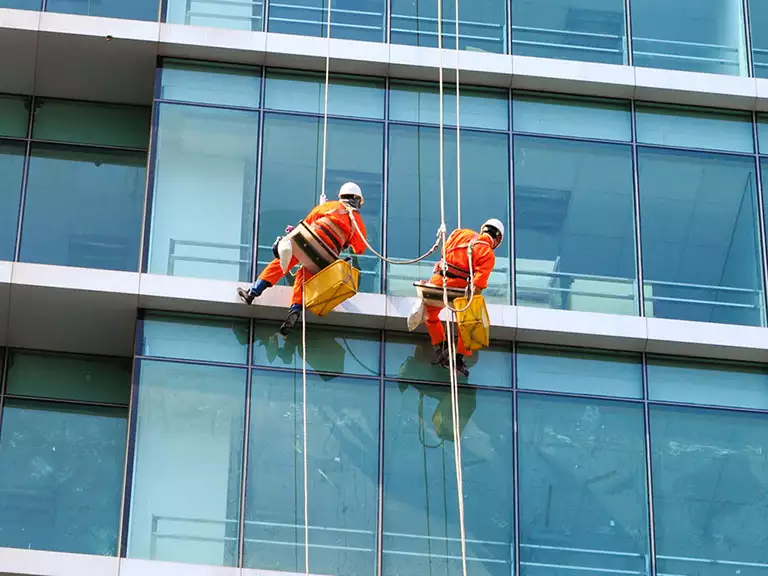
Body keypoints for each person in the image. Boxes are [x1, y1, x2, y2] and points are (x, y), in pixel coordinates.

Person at [237, 182, 368, 335]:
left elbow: (309, 221)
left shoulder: (330, 206)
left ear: (342, 196)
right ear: (358, 200)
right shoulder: (358, 223)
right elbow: (360, 249)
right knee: (304, 274)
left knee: (284, 261)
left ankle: (253, 292)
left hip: (312, 239)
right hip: (328, 255)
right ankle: (295, 309)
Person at [425, 219, 504, 377]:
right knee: (469, 325)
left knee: (430, 315)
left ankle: (440, 346)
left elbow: (444, 252)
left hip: (438, 281)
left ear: (484, 229)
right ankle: (458, 358)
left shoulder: (460, 233)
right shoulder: (487, 253)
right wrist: (471, 305)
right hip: (459, 288)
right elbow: (478, 284)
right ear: (497, 239)